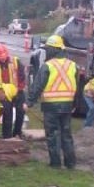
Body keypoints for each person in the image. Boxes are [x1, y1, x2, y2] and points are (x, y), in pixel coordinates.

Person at [24, 35, 77, 169]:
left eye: (48, 49)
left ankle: (55, 164)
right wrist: (74, 104)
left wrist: (28, 102)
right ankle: (70, 164)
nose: (46, 51)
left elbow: (37, 86)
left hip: (51, 105)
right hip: (67, 105)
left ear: (54, 49)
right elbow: (76, 86)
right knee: (66, 135)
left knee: (53, 134)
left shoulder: (48, 66)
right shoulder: (72, 65)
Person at [0, 44, 27, 139]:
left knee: (20, 112)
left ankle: (17, 133)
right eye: (0, 58)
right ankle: (7, 136)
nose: (3, 59)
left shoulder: (15, 61)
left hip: (18, 91)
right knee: (7, 114)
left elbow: (22, 77)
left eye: (4, 57)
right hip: (4, 93)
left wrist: (19, 90)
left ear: (7, 54)